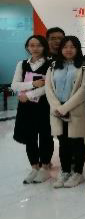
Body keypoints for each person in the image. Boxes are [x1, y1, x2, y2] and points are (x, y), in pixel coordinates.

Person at [45, 36, 85, 188]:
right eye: (65, 47)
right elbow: (48, 88)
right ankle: (65, 171)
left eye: (72, 47)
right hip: (57, 110)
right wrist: (57, 107)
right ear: (60, 49)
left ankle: (78, 173)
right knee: (63, 143)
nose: (68, 50)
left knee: (77, 142)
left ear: (78, 49)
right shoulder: (53, 66)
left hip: (75, 109)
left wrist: (65, 108)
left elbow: (83, 90)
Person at [11, 35, 53, 184]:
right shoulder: (22, 64)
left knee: (45, 136)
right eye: (31, 45)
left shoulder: (51, 64)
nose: (35, 48)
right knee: (30, 137)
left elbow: (48, 86)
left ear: (44, 47)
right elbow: (14, 85)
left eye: (38, 45)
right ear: (27, 47)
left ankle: (45, 167)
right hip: (26, 107)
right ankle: (34, 167)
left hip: (44, 106)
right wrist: (33, 84)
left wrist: (28, 95)